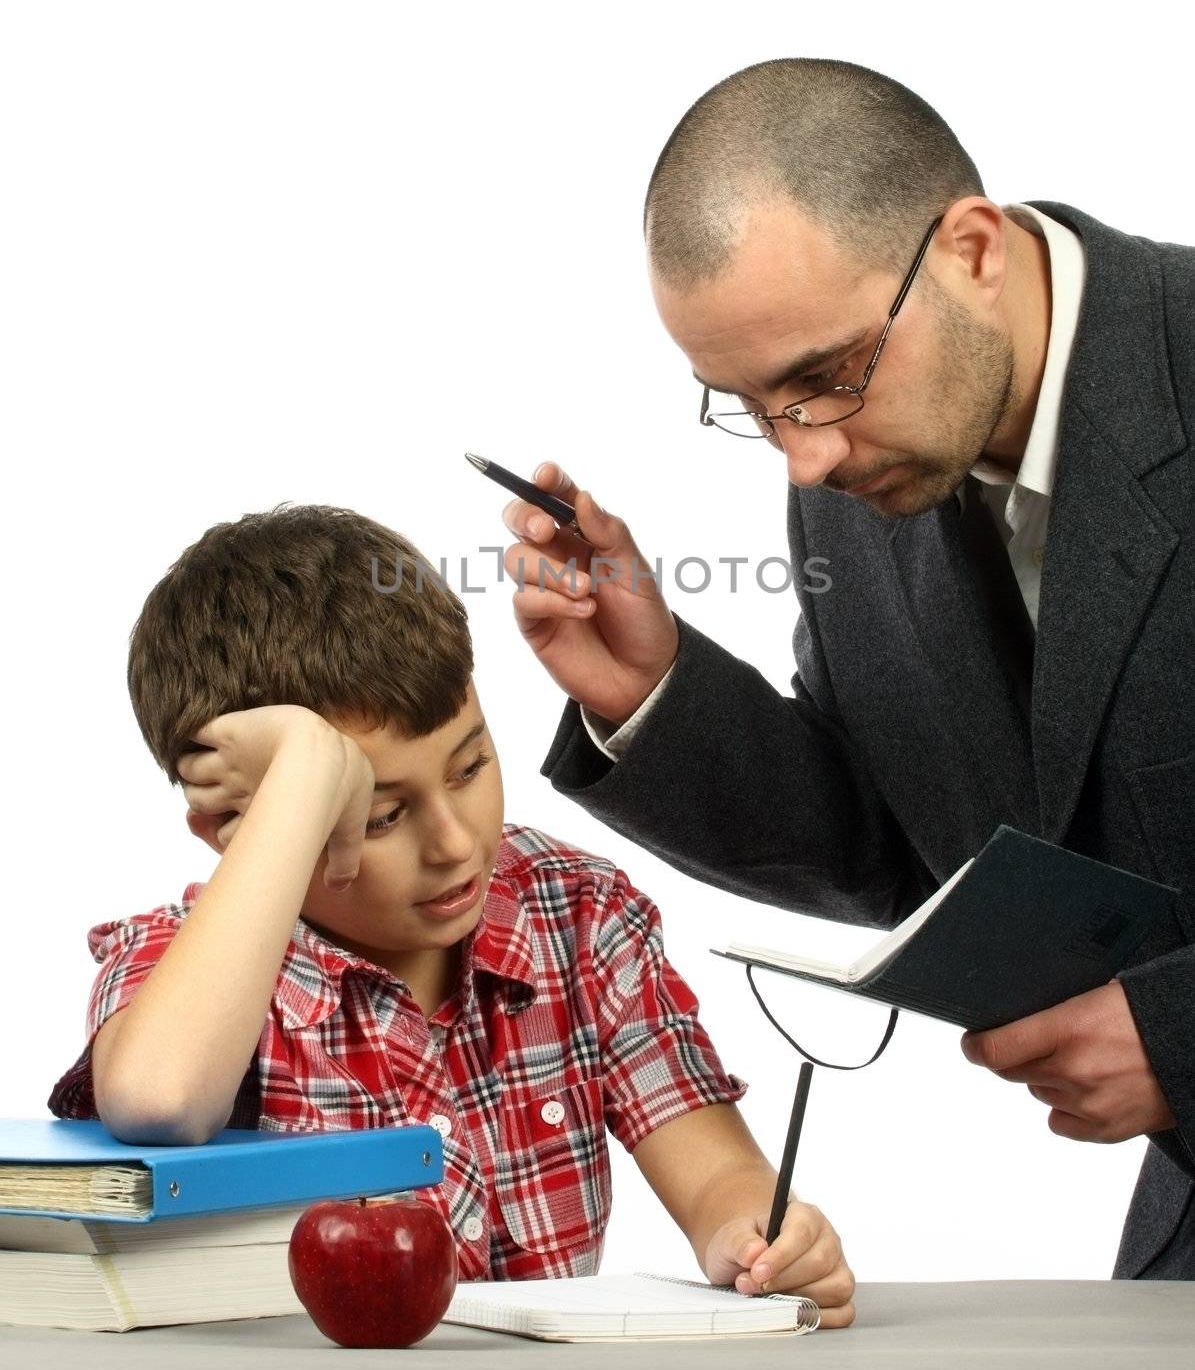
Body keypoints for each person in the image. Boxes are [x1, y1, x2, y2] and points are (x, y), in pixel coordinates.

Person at [497, 58, 1195, 1281]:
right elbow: (905, 849)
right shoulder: (859, 482)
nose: (803, 460)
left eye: (826, 378)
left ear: (974, 246)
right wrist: (652, 693)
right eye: (751, 404)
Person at [46, 503, 854, 1320]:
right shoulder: (183, 967)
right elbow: (158, 1098)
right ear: (240, 831)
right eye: (381, 816)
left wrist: (755, 1237)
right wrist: (299, 773)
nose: (454, 844)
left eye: (469, 767)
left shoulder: (577, 916)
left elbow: (718, 1176)